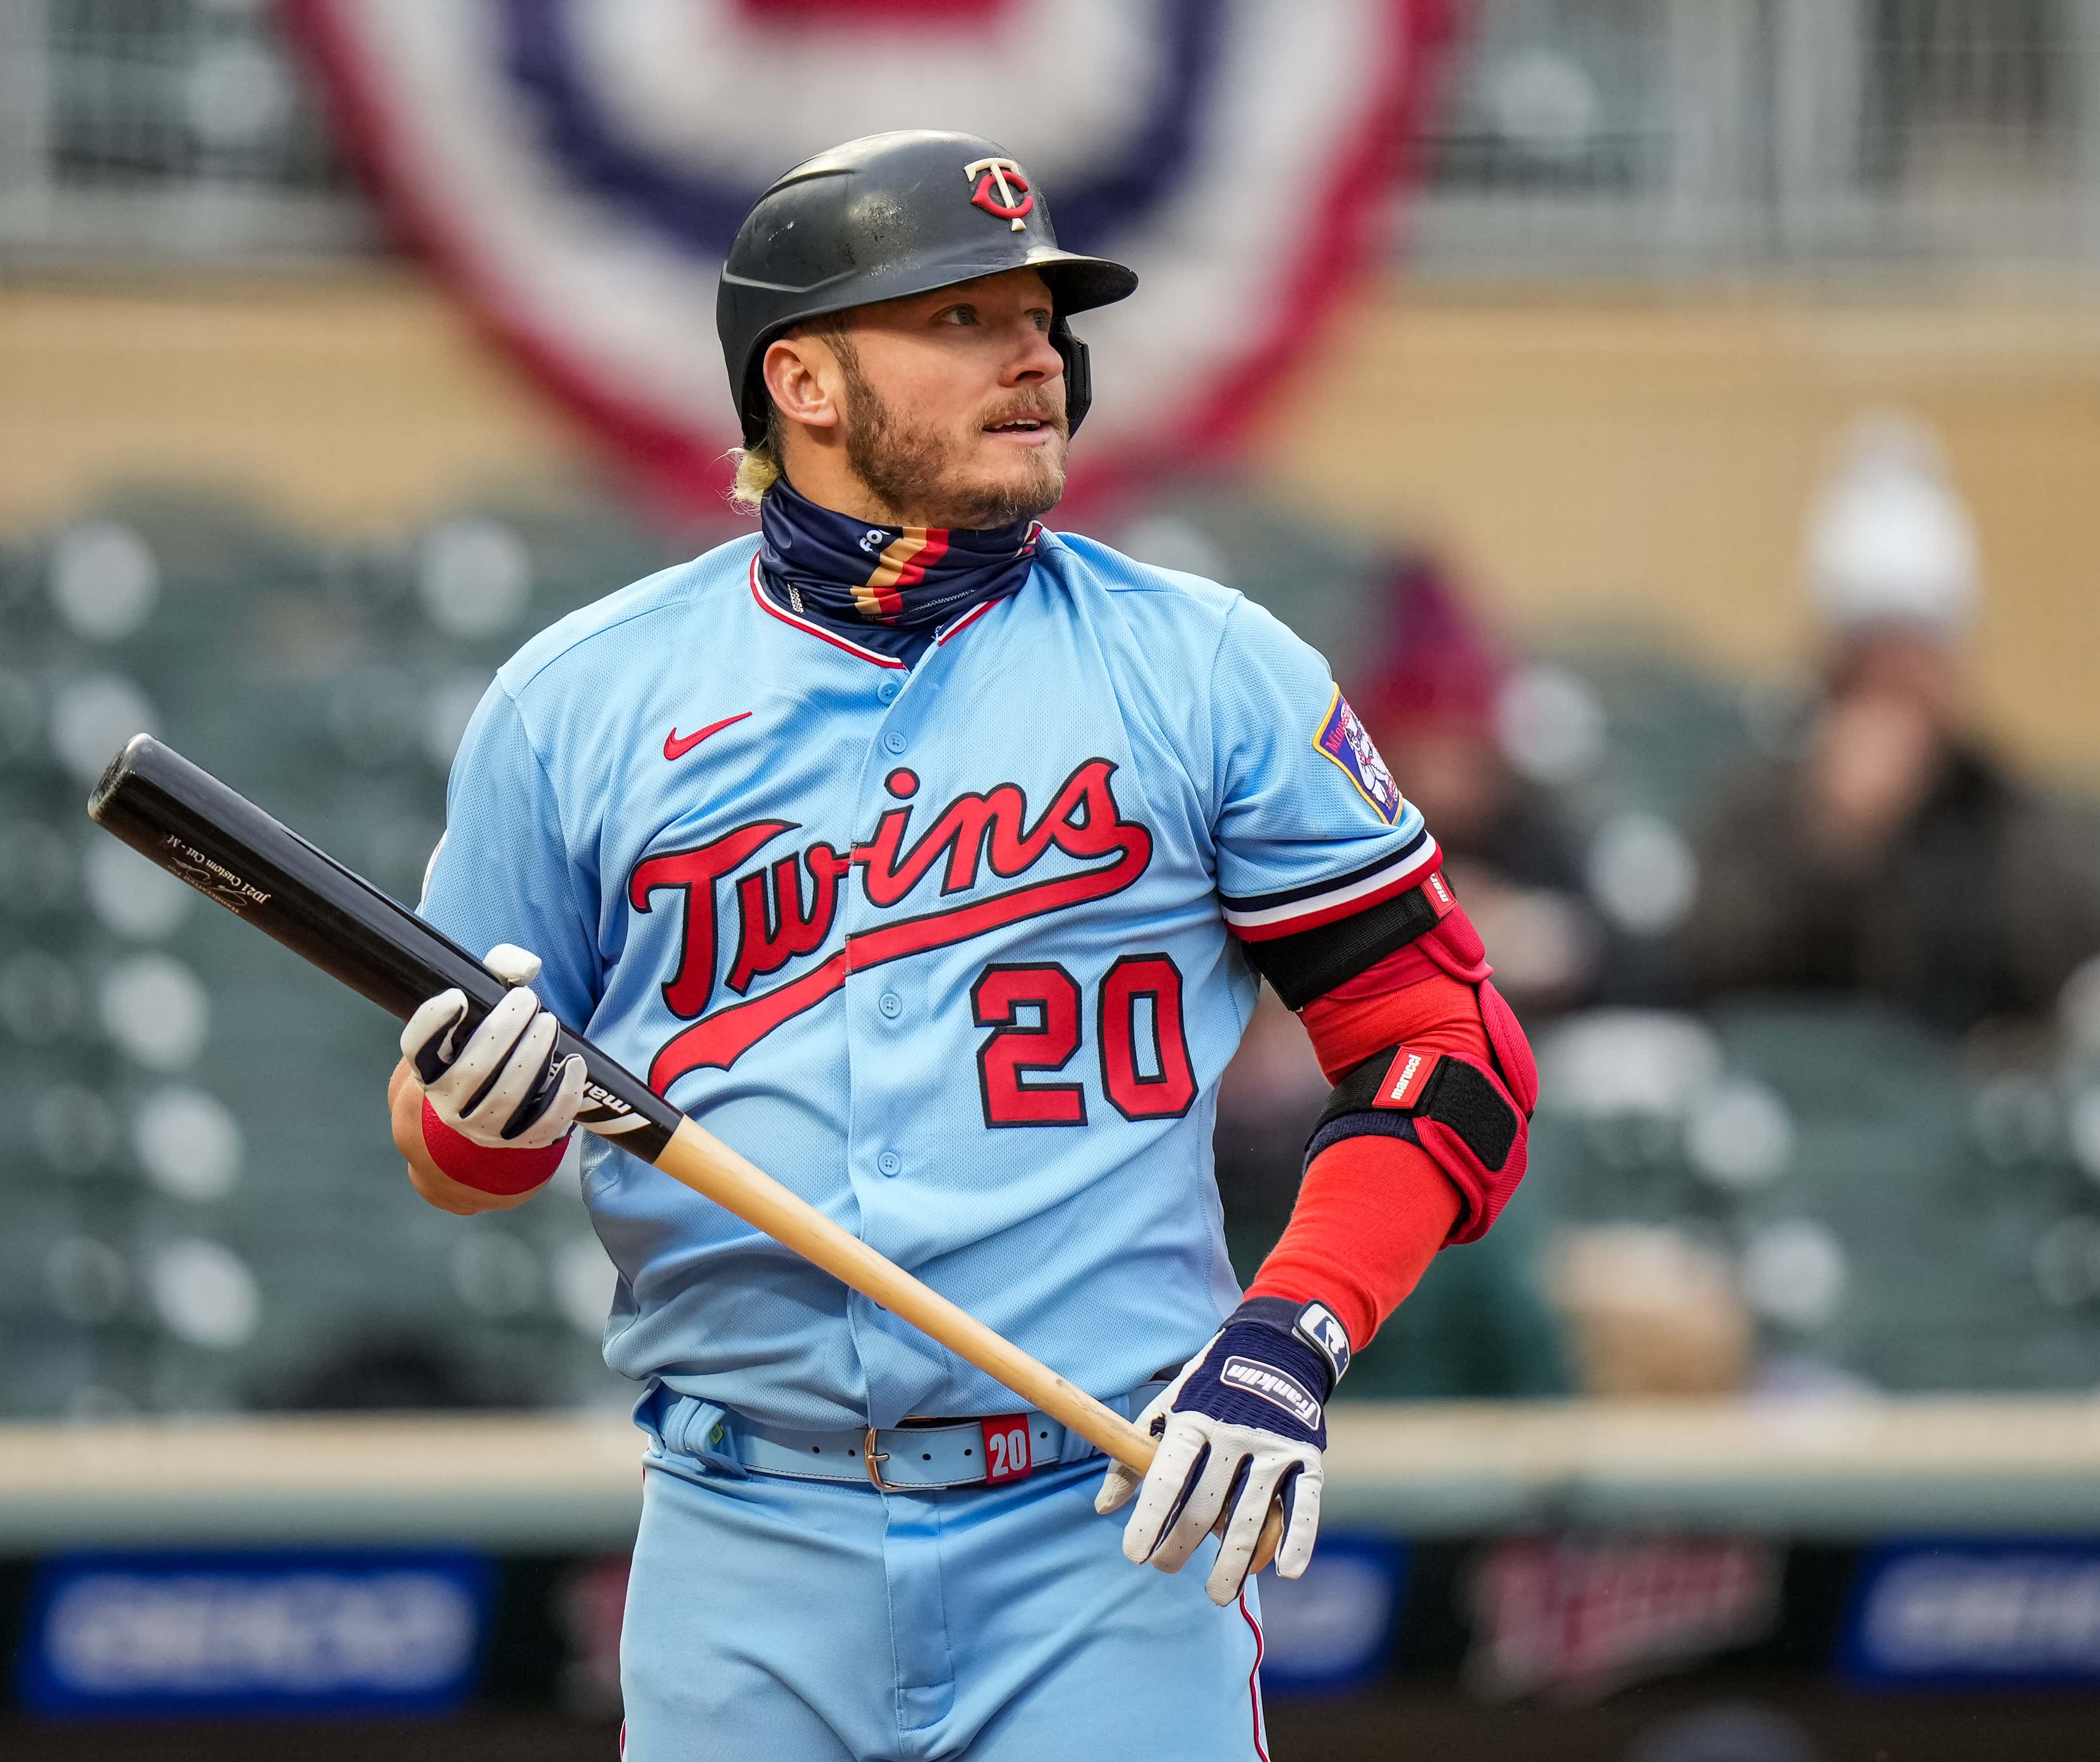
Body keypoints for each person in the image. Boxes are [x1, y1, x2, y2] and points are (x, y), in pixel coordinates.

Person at [381, 132, 1538, 1759]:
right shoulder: (575, 702)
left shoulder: (1205, 669)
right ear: (802, 379)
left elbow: (1447, 1052)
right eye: (957, 318)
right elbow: (447, 1149)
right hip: (744, 1530)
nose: (1034, 356)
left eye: (1041, 317)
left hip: (1105, 1529)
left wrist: (1290, 1337)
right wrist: (478, 1116)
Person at [1680, 416, 2100, 1037]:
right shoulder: (1758, 808)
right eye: (1881, 653)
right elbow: (1709, 963)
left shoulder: (2002, 812)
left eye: (1923, 652)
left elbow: (2069, 963)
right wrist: (1832, 840)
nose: (1900, 682)